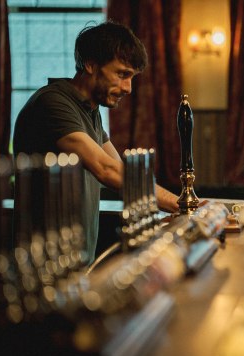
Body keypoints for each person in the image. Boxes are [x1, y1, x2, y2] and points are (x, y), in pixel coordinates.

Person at [13, 21, 179, 264]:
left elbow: (122, 168)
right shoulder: (53, 103)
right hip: (44, 266)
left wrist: (179, 203)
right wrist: (180, 203)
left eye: (131, 77)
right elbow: (107, 169)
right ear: (90, 64)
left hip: (76, 261)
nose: (128, 88)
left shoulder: (89, 110)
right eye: (122, 74)